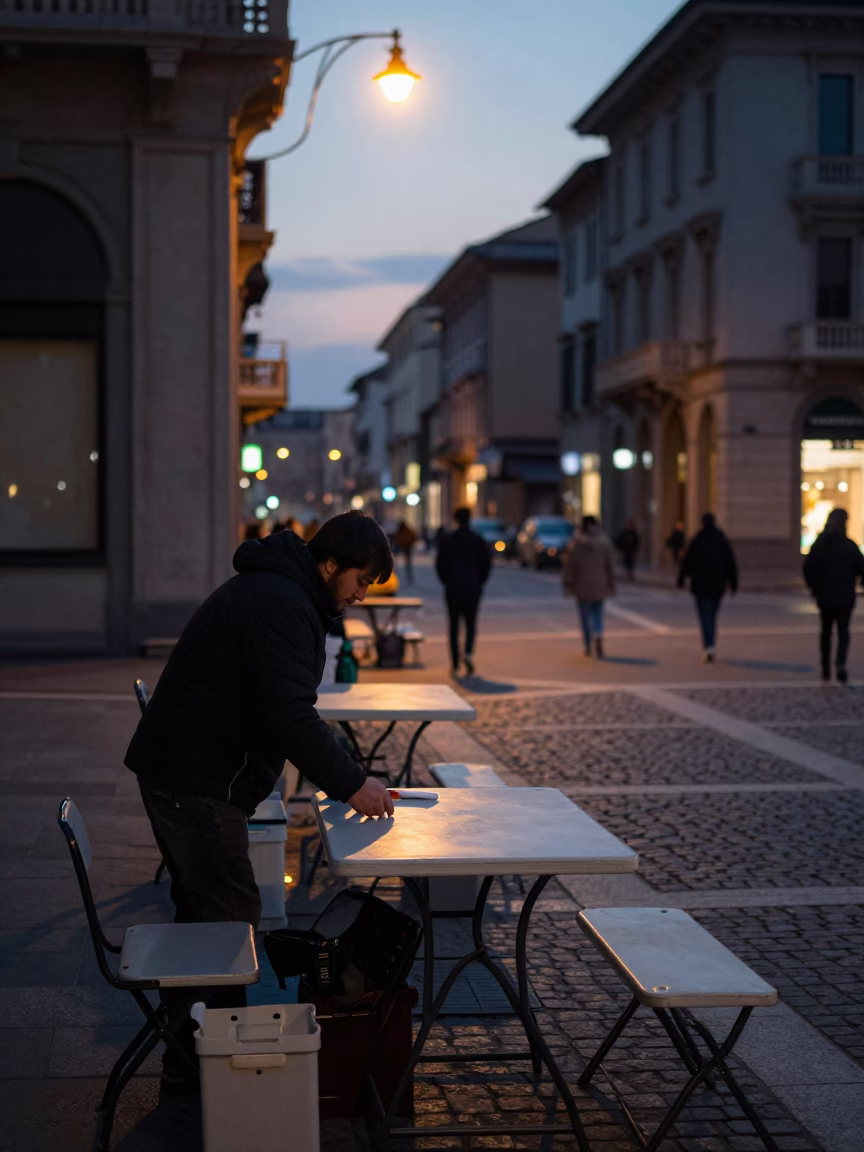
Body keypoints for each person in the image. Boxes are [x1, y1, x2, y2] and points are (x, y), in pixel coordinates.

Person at [125, 512, 395, 1083]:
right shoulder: (282, 602)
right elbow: (290, 715)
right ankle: (218, 1072)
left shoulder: (286, 592)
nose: (361, 594)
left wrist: (345, 772)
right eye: (361, 579)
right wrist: (352, 783)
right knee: (230, 924)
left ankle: (192, 1054)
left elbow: (285, 708)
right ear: (330, 564)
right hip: (194, 781)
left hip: (193, 773)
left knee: (207, 917)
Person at [803, 507, 864, 684]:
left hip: (825, 595)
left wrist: (814, 588)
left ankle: (826, 667)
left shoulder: (820, 544)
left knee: (826, 632)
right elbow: (861, 568)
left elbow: (808, 568)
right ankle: (840, 663)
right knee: (843, 632)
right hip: (845, 595)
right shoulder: (849, 545)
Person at [436, 507, 492, 676]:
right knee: (470, 624)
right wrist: (478, 582)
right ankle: (467, 652)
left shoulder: (448, 540)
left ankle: (454, 662)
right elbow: (486, 565)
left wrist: (447, 581)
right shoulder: (477, 540)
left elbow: (440, 565)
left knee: (453, 626)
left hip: (453, 589)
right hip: (472, 588)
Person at [677, 512, 738, 663]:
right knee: (712, 615)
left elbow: (688, 562)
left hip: (701, 585)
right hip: (717, 584)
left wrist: (682, 579)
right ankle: (710, 644)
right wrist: (733, 582)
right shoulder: (721, 539)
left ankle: (709, 646)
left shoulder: (698, 539)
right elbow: (730, 562)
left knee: (705, 616)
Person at [562, 515, 616, 658]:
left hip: (582, 586)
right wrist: (611, 584)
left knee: (585, 617)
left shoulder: (576, 544)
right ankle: (598, 634)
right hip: (600, 584)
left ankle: (588, 644)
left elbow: (570, 566)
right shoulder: (604, 543)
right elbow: (610, 565)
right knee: (598, 614)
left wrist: (567, 584)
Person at [393, 520, 418, 585]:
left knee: (404, 563)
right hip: (406, 547)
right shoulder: (407, 530)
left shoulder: (401, 531)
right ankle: (408, 577)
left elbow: (397, 539)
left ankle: (406, 577)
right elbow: (413, 537)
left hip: (404, 547)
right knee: (407, 564)